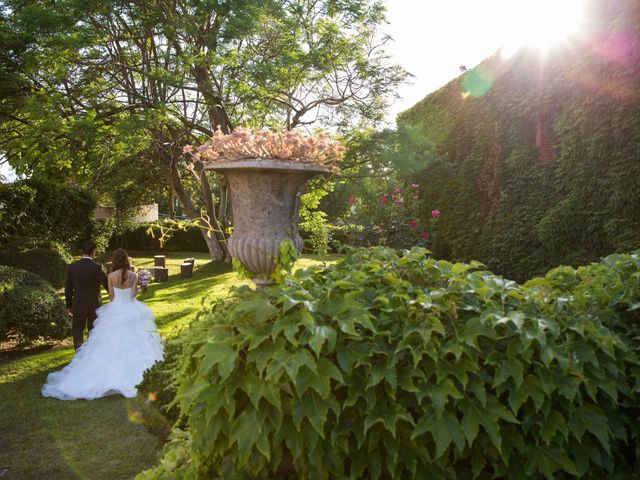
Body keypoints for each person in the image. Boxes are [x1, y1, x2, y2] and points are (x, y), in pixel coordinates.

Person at [42, 248, 164, 400]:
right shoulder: (133, 275)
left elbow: (111, 296)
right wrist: (143, 286)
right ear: (127, 260)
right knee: (138, 339)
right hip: (132, 309)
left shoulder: (111, 276)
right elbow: (133, 294)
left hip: (116, 309)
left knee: (108, 340)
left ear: (114, 260)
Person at [65, 240, 109, 350]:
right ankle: (90, 354)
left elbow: (68, 289)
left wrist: (68, 306)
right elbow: (107, 284)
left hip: (78, 303)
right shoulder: (97, 267)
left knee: (77, 330)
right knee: (93, 330)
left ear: (82, 251)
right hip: (94, 304)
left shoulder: (72, 267)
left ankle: (79, 354)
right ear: (93, 252)